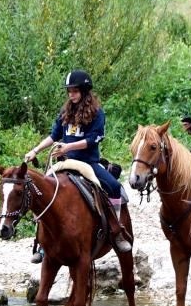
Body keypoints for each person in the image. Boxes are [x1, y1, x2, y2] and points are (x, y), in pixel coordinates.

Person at [23, 69, 133, 256]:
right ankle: (41, 242)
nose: (71, 94)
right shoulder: (65, 112)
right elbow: (54, 135)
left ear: (84, 91)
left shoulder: (97, 113)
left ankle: (117, 231)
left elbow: (94, 138)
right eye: (69, 91)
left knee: (114, 186)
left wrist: (68, 147)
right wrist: (35, 150)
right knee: (42, 191)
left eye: (74, 91)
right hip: (65, 162)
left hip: (88, 162)